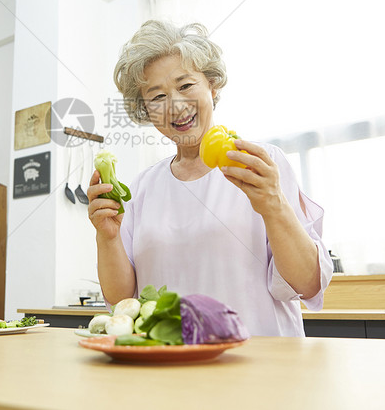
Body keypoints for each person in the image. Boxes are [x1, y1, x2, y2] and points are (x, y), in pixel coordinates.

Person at [86, 20, 333, 337]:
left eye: (186, 86)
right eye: (157, 96)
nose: (175, 105)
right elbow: (121, 301)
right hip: (170, 366)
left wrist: (274, 207)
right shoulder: (142, 188)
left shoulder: (261, 164)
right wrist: (106, 237)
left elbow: (307, 282)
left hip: (259, 366)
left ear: (212, 87)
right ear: (146, 112)